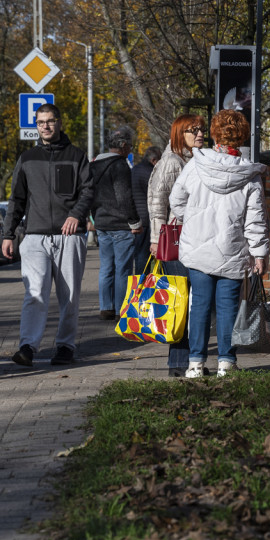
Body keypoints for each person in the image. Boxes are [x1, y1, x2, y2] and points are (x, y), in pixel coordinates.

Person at [169, 109, 268, 378]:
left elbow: (176, 200)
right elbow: (255, 221)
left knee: (199, 305)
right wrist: (259, 254)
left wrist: (190, 220)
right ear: (242, 136)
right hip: (233, 250)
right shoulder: (250, 175)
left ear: (214, 134)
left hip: (198, 248)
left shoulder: (196, 165)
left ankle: (195, 364)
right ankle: (226, 362)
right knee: (228, 307)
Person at [2, 102, 94, 366]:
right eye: (41, 122)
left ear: (59, 122)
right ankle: (28, 347)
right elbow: (16, 199)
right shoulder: (27, 159)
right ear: (36, 126)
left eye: (50, 121)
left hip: (70, 237)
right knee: (35, 294)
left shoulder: (77, 156)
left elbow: (88, 190)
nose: (45, 126)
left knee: (70, 295)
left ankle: (65, 346)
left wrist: (76, 215)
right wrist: (8, 234)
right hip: (34, 237)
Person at [147, 114, 205, 377]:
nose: (200, 134)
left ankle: (190, 361)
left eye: (202, 129)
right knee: (180, 301)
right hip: (175, 239)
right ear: (180, 134)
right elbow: (157, 201)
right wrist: (156, 238)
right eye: (193, 130)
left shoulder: (197, 160)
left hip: (193, 238)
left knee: (192, 300)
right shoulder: (172, 161)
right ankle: (179, 364)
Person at [90, 127, 140, 321]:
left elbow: (89, 196)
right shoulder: (120, 165)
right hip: (120, 224)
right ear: (123, 145)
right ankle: (122, 309)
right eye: (130, 145)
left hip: (102, 223)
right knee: (124, 269)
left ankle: (106, 307)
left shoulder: (93, 165)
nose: (130, 149)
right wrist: (134, 221)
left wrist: (95, 218)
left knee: (106, 267)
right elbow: (124, 196)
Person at [131, 145, 162, 276]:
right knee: (145, 256)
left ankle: (139, 284)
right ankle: (145, 285)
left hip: (136, 218)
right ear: (154, 160)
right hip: (147, 219)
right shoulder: (150, 173)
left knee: (139, 256)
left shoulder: (135, 169)